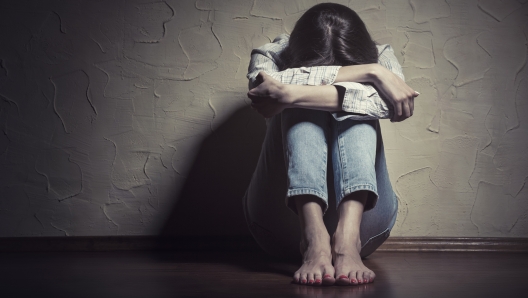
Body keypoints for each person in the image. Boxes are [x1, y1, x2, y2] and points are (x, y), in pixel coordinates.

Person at [243, 3, 419, 286]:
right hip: (279, 224)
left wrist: (294, 91)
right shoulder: (272, 53)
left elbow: (392, 106)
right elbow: (263, 89)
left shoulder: (381, 56)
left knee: (348, 105)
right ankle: (313, 236)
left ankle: (347, 240)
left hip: (366, 227)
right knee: (299, 103)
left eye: (372, 68)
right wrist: (371, 74)